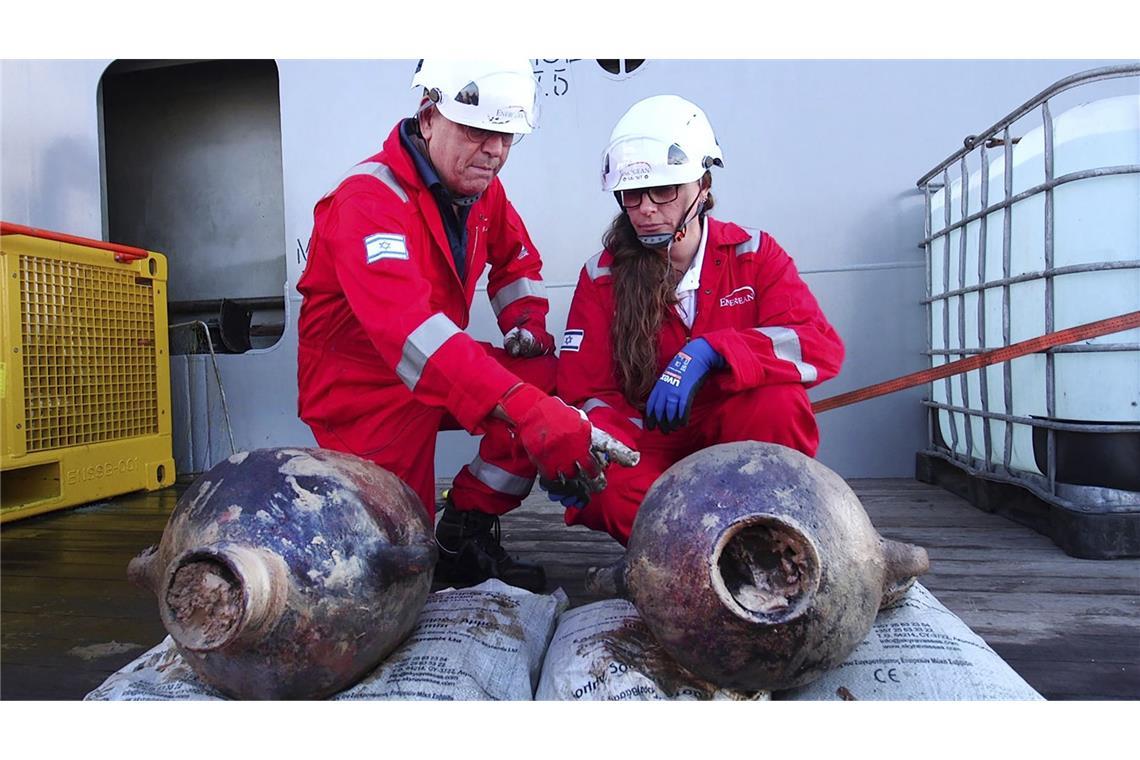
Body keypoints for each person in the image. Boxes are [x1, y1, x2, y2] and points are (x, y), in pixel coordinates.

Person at [296, 60, 599, 591]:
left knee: (548, 380)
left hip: (440, 369)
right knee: (399, 560)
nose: (496, 152)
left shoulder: (481, 190)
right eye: (479, 131)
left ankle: (465, 527)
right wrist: (526, 409)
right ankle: (418, 543)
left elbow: (517, 262)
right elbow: (412, 334)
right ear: (429, 116)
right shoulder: (367, 203)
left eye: (507, 136)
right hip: (365, 397)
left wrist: (525, 324)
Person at [552, 94, 846, 544]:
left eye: (664, 190)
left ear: (702, 187)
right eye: (632, 194)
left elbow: (818, 346)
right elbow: (585, 391)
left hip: (733, 434)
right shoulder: (602, 276)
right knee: (605, 488)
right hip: (649, 442)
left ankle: (754, 534)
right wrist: (599, 446)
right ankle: (718, 553)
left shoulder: (754, 254)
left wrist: (712, 352)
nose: (647, 208)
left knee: (779, 403)